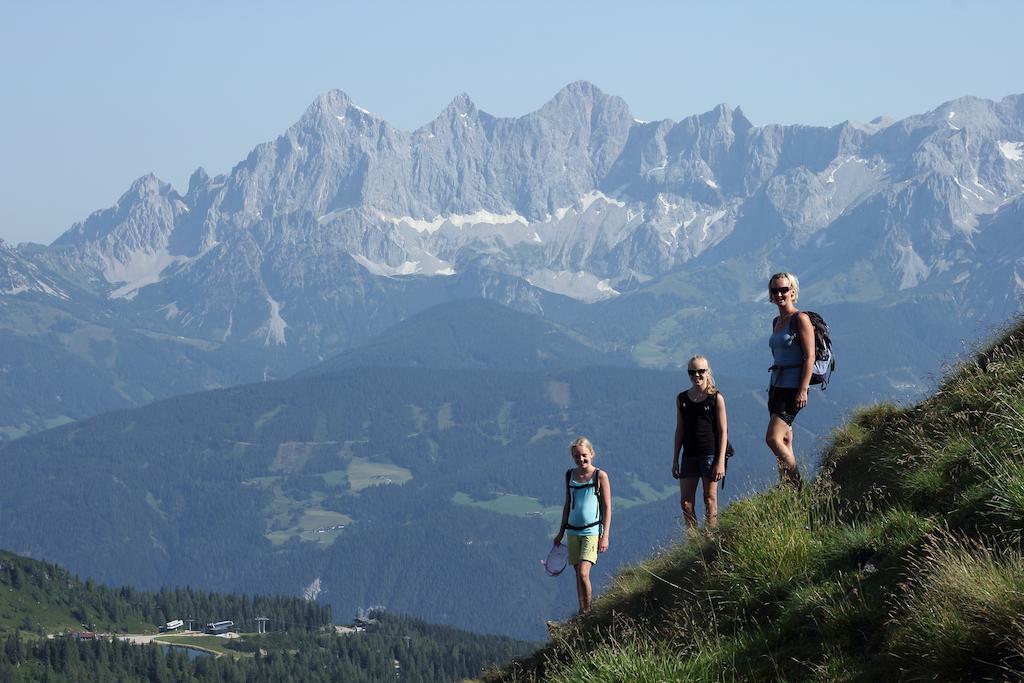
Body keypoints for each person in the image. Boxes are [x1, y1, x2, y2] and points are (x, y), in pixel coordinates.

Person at [766, 271, 814, 490]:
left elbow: (809, 356)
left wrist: (803, 389)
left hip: (792, 388)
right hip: (776, 385)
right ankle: (788, 489)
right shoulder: (777, 320)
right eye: (775, 290)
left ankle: (797, 485)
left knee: (772, 438)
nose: (779, 294)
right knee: (784, 440)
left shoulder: (800, 319)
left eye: (784, 289)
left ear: (793, 292)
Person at [553, 437, 611, 615]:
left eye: (584, 455)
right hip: (572, 531)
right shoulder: (569, 475)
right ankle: (582, 610)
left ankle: (588, 610)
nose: (581, 459)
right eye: (577, 456)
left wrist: (605, 535)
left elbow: (608, 507)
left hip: (592, 531)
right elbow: (567, 503)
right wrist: (561, 532)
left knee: (584, 573)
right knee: (578, 572)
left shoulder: (600, 476)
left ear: (591, 454)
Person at [671, 355, 728, 530]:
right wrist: (675, 459)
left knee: (709, 499)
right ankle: (694, 540)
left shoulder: (716, 398)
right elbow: (680, 429)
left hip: (710, 454)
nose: (696, 375)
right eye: (692, 372)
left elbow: (723, 431)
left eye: (700, 371)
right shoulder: (682, 399)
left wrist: (720, 462)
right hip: (689, 455)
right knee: (686, 503)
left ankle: (710, 539)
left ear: (707, 372)